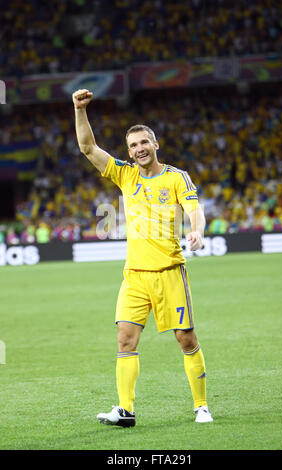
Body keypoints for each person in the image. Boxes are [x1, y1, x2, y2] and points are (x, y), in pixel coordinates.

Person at [73, 89, 213, 427]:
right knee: (125, 337)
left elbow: (196, 211)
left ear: (155, 144)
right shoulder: (125, 174)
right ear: (129, 151)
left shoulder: (177, 177)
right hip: (134, 275)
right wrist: (79, 110)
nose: (138, 149)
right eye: (133, 145)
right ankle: (125, 410)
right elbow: (88, 148)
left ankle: (201, 406)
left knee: (186, 339)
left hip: (169, 271)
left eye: (143, 143)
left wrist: (197, 232)